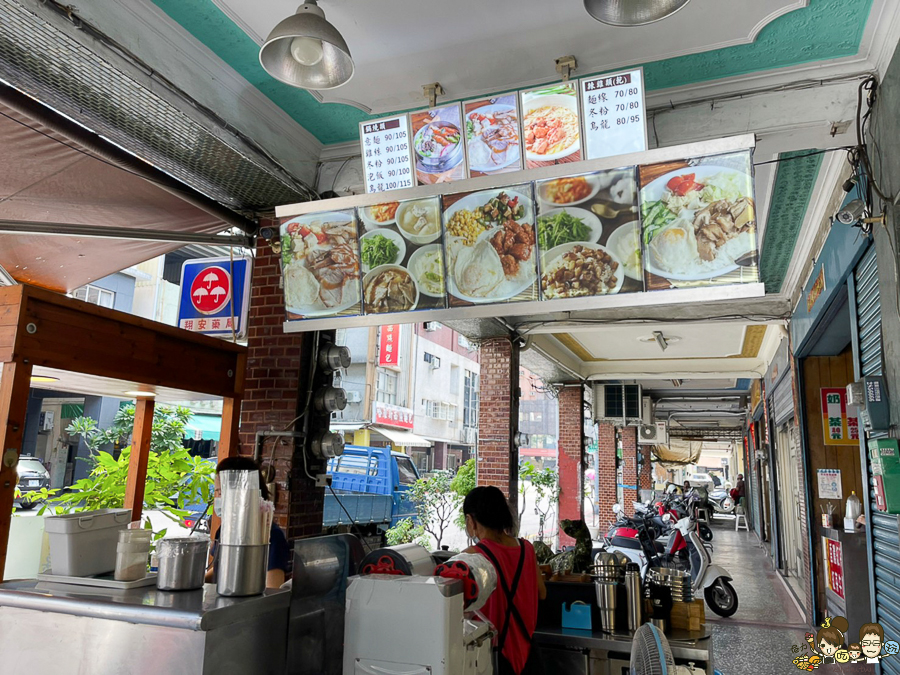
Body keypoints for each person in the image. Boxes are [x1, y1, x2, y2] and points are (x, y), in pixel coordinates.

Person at [463, 486, 546, 675]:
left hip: (494, 658)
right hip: (529, 655)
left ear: (471, 521)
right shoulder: (527, 549)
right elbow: (542, 593)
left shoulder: (472, 558)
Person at [206, 456, 291, 588]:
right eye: (217, 492)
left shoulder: (271, 535)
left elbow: (273, 588)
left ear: (242, 493)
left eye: (221, 492)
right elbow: (219, 569)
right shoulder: (225, 529)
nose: (218, 497)